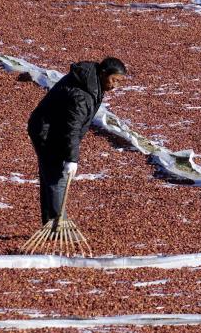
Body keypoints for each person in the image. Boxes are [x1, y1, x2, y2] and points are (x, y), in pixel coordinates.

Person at [26, 57, 128, 226]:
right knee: (57, 177)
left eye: (119, 82)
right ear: (103, 73)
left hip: (51, 127)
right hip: (47, 131)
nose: (115, 85)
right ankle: (58, 224)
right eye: (114, 80)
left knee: (50, 175)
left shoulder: (92, 81)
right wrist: (71, 158)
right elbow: (71, 128)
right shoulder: (83, 95)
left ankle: (50, 223)